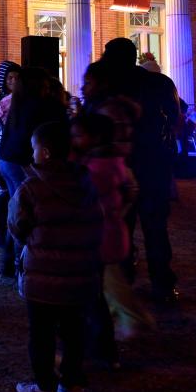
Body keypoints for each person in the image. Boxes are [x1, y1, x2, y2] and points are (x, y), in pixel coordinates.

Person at [10, 121, 104, 392]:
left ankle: (45, 386)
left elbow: (16, 225)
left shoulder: (32, 187)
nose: (32, 154)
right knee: (75, 331)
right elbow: (98, 221)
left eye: (34, 148)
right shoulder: (86, 183)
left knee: (41, 332)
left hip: (43, 276)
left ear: (46, 152)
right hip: (81, 273)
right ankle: (73, 385)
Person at [100, 37, 181, 302]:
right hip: (153, 163)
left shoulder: (107, 86)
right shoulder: (160, 83)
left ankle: (124, 280)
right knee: (155, 226)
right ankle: (162, 284)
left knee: (121, 223)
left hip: (120, 164)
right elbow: (175, 119)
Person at [71, 111, 146, 366]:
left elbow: (78, 198)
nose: (74, 140)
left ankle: (101, 350)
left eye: (79, 135)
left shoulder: (95, 168)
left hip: (96, 238)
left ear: (96, 137)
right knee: (98, 292)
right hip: (108, 235)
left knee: (92, 297)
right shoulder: (112, 162)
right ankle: (102, 345)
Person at [0, 67, 67, 276]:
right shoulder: (41, 105)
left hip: (7, 159)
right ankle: (21, 266)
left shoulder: (18, 102)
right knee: (25, 213)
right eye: (45, 85)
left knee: (16, 208)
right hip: (22, 161)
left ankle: (9, 263)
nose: (47, 88)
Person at [0, 61, 21, 249]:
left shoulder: (21, 98)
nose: (13, 81)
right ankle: (1, 230)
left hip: (15, 152)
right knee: (1, 190)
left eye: (17, 77)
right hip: (2, 150)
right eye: (10, 77)